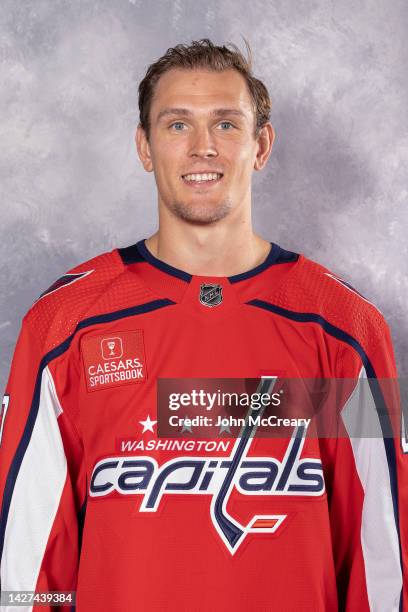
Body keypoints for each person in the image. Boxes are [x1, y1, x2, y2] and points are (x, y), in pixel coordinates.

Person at [0, 38, 406, 611]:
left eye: (226, 124)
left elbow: (381, 554)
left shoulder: (347, 332)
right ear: (144, 147)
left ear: (261, 145)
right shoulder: (64, 326)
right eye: (176, 126)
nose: (202, 148)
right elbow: (27, 562)